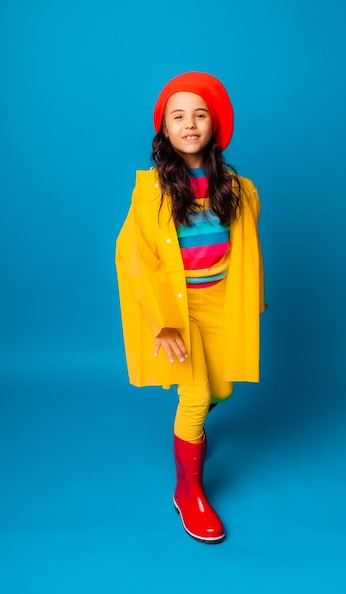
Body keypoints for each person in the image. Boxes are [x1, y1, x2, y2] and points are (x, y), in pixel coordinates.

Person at [115, 71, 265, 544]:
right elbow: (135, 257)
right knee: (196, 397)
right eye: (178, 116)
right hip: (180, 310)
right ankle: (189, 492)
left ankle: (194, 434)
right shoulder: (152, 190)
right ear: (165, 129)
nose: (189, 124)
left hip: (220, 302)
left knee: (222, 389)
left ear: (214, 126)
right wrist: (162, 322)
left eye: (199, 114)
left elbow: (246, 248)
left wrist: (249, 300)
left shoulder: (238, 188)